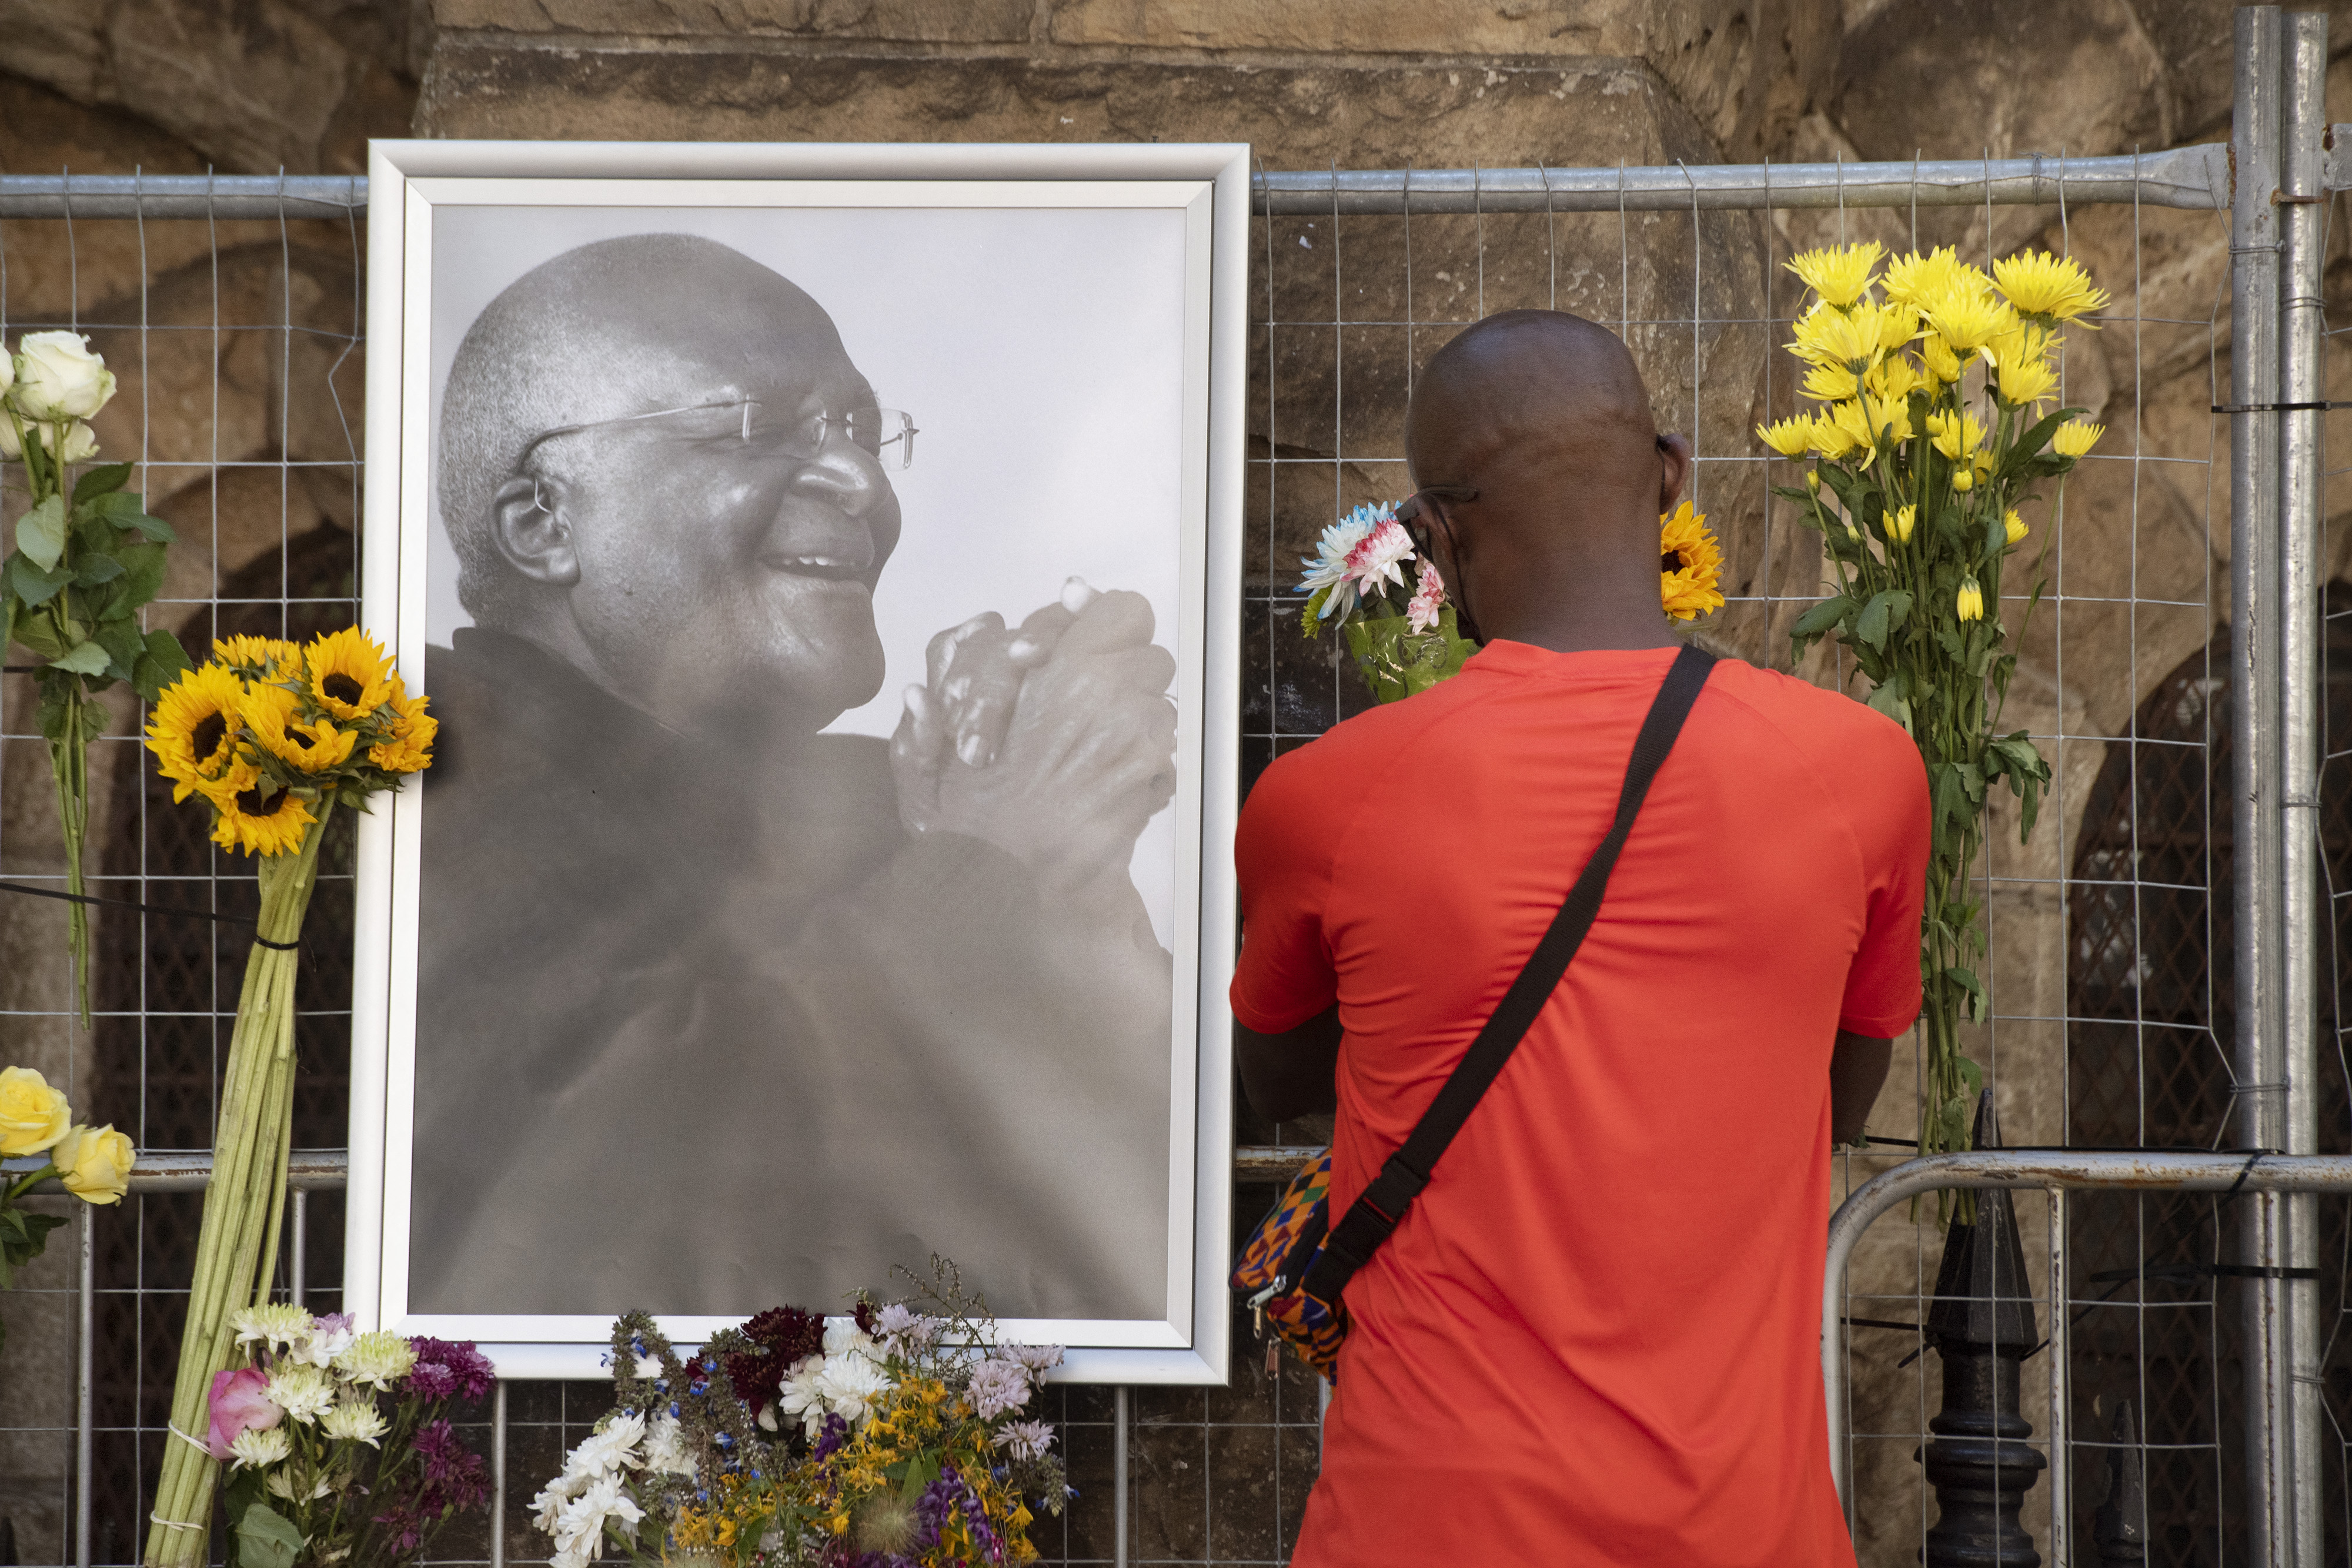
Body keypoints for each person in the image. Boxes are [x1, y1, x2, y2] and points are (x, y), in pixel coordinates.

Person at [1230, 310, 1927, 1564]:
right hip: (1743, 1526)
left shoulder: (1325, 799)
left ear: (1433, 535)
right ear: (1668, 476)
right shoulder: (1858, 773)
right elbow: (1836, 1085)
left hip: (1427, 1525)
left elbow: (1276, 1079)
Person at [410, 233, 1178, 1320]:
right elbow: (591, 1202)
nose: (862, 481)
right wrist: (1003, 858)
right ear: (545, 522)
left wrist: (1081, 890)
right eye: (753, 428)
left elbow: (1101, 1202)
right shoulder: (439, 776)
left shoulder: (881, 803)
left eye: (866, 431)